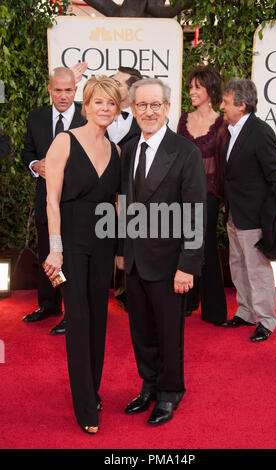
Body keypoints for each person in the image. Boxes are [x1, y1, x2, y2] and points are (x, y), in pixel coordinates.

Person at [116, 78, 206, 426]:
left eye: (156, 105)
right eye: (142, 105)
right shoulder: (127, 149)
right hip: (136, 260)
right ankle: (149, 385)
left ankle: (170, 393)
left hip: (171, 264)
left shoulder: (185, 152)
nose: (149, 111)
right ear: (133, 109)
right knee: (141, 331)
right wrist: (122, 250)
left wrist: (188, 264)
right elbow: (125, 205)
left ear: (168, 108)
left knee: (170, 334)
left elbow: (196, 212)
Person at [43, 75, 121, 433]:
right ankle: (85, 405)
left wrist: (122, 249)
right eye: (98, 102)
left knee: (99, 319)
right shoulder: (65, 141)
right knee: (78, 319)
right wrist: (55, 250)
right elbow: (52, 200)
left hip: (103, 244)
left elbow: (117, 205)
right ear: (86, 105)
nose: (105, 109)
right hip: (71, 244)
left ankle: (92, 387)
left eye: (111, 103)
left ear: (117, 109)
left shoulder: (116, 151)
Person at [218, 78, 276, 342]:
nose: (221, 107)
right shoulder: (230, 130)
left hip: (254, 213)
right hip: (234, 212)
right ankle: (246, 311)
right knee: (238, 265)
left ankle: (266, 320)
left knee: (257, 268)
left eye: (226, 102)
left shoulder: (260, 131)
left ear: (241, 104)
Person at [21, 66, 86, 335]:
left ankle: (74, 312)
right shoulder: (36, 117)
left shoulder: (87, 115)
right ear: (49, 90)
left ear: (76, 89)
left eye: (68, 90)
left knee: (71, 256)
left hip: (77, 201)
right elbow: (27, 151)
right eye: (57, 90)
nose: (63, 95)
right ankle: (49, 304)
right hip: (45, 199)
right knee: (48, 251)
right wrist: (36, 165)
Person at [177, 65, 228, 323]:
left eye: (197, 87)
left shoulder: (221, 123)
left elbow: (222, 163)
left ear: (211, 90)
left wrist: (222, 198)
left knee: (204, 247)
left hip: (208, 194)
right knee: (185, 244)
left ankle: (214, 309)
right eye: (190, 87)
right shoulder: (183, 119)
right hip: (183, 193)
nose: (192, 92)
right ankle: (189, 300)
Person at [107, 66, 142, 310]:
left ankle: (129, 294)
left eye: (118, 83)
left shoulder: (145, 119)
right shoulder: (98, 112)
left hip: (132, 195)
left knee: (129, 240)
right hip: (98, 194)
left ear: (131, 89)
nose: (113, 85)